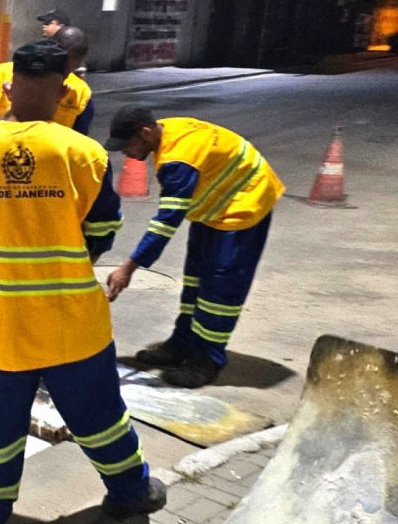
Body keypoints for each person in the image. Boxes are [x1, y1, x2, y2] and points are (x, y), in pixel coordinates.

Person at [0, 42, 165, 524]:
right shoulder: (81, 153)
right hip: (69, 321)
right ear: (64, 94)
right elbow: (103, 230)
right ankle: (131, 492)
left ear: (9, 87)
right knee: (100, 416)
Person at [104, 107, 284, 388]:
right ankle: (182, 343)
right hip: (214, 204)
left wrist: (128, 268)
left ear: (145, 132)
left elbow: (165, 224)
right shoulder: (165, 132)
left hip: (244, 204)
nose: (125, 153)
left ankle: (206, 360)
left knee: (219, 289)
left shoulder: (178, 161)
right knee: (195, 280)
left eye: (128, 145)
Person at [0, 24, 93, 135]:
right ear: (9, 90)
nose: (63, 74)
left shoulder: (81, 92)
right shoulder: (0, 75)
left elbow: (79, 139)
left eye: (69, 68)